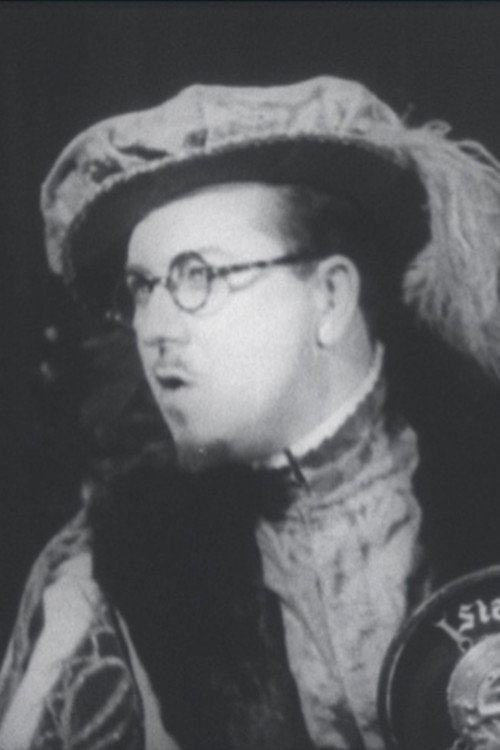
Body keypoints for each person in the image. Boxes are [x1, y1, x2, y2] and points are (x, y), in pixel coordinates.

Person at [1, 75, 500, 750]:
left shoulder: (481, 486)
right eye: (142, 289)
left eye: (198, 275)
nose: (155, 329)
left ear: (330, 298)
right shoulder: (99, 581)